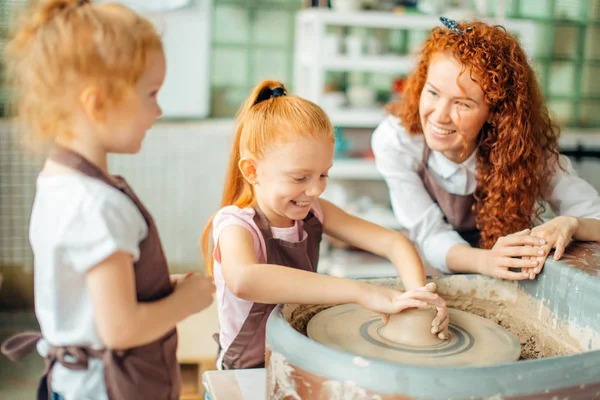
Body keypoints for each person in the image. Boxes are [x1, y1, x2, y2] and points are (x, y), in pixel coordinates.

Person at [0, 1, 215, 399]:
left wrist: (161, 288)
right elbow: (121, 330)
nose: (159, 110)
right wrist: (187, 301)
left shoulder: (59, 182)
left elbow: (91, 295)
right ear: (97, 103)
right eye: (151, 94)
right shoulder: (94, 205)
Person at [200, 80, 449, 370]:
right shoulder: (236, 224)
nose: (316, 190)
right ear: (253, 170)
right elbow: (245, 280)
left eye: (323, 175)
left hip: (298, 358)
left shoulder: (313, 212)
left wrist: (420, 300)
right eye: (299, 178)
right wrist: (363, 292)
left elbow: (394, 243)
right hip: (247, 371)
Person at [372, 17, 600, 281]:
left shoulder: (525, 148)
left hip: (506, 283)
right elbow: (430, 235)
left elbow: (594, 216)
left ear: (495, 112)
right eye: (433, 93)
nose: (440, 116)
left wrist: (572, 224)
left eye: (463, 104)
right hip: (426, 280)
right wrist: (487, 261)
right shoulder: (397, 140)